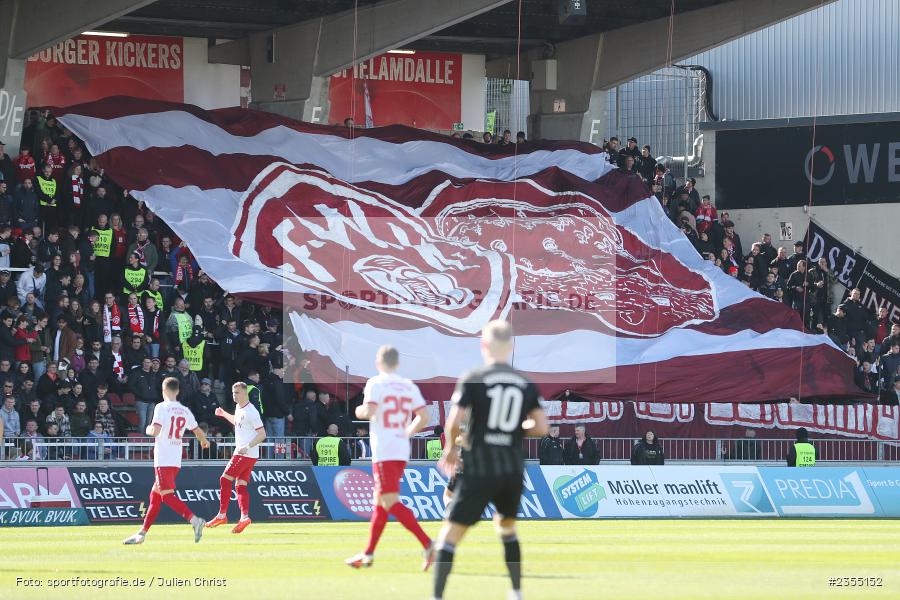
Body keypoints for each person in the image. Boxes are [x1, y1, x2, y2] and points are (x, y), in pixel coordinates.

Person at [432, 321, 549, 600]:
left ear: (483, 346)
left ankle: (437, 596)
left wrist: (449, 449)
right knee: (507, 528)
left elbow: (454, 422)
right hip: (511, 469)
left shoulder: (474, 377)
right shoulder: (525, 383)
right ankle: (516, 592)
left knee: (450, 536)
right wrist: (513, 429)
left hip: (480, 467)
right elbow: (542, 427)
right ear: (509, 347)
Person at [345, 345, 432, 569]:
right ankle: (368, 554)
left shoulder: (376, 383)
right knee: (380, 505)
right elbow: (424, 416)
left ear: (378, 362)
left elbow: (370, 411)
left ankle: (428, 544)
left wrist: (358, 411)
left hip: (385, 449)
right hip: (400, 448)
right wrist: (406, 433)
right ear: (397, 363)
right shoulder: (407, 385)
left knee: (390, 502)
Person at [123, 377, 209, 545]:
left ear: (163, 391)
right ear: (177, 391)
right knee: (155, 497)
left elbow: (154, 431)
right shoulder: (184, 410)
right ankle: (141, 534)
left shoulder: (161, 407)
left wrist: (147, 428)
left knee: (167, 496)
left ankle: (194, 520)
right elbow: (198, 431)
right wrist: (204, 442)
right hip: (176, 459)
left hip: (163, 458)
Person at [206, 382, 266, 534]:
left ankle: (222, 515)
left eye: (237, 392)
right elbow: (238, 422)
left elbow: (262, 434)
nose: (234, 395)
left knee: (224, 479)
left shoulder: (252, 412)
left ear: (245, 393)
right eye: (233, 392)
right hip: (248, 454)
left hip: (244, 453)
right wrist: (223, 414)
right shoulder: (240, 408)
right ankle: (244, 517)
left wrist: (248, 446)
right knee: (240, 486)